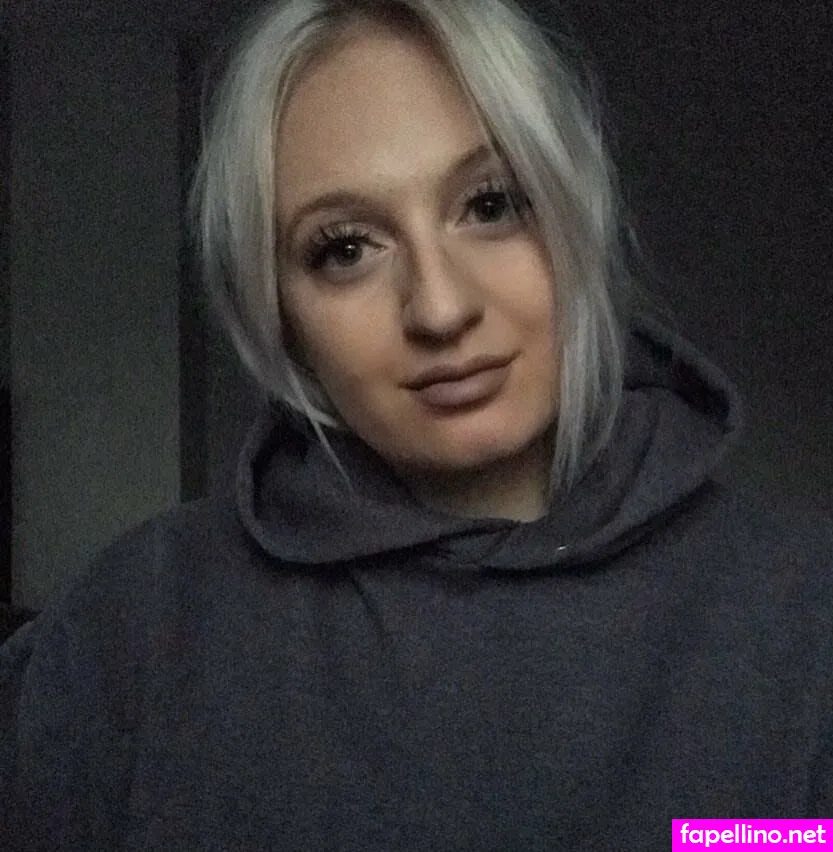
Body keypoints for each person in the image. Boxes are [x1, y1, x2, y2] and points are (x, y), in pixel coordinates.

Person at [2, 0, 832, 848]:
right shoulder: (132, 632)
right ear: (278, 311)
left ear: (572, 209)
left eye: (491, 203)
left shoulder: (802, 615)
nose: (439, 308)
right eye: (345, 249)